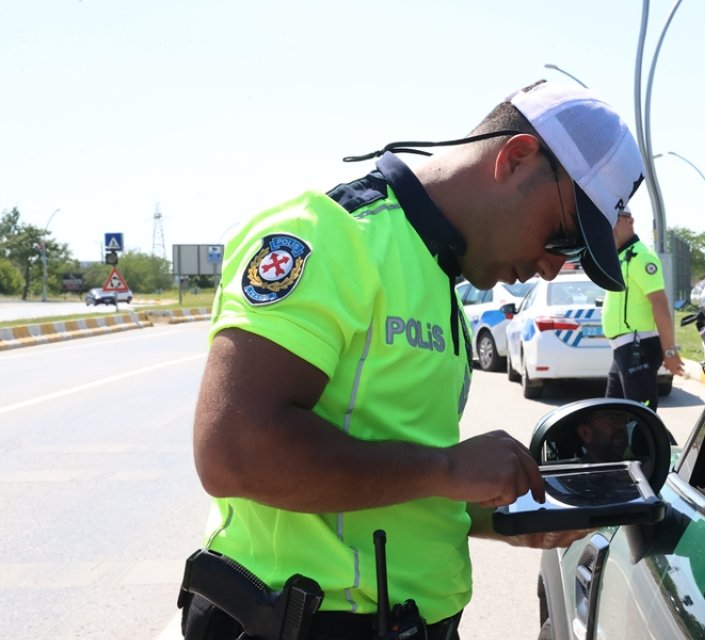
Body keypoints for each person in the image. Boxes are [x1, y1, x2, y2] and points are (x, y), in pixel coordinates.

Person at [183, 80, 645, 640]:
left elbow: (392, 482)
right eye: (566, 239)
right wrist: (447, 469)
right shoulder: (329, 235)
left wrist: (499, 514)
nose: (553, 267)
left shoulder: (438, 275)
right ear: (517, 157)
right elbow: (233, 452)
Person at [601, 206, 685, 410]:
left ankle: (662, 443)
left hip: (637, 347)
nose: (609, 226)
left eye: (615, 219)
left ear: (630, 221)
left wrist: (670, 351)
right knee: (613, 416)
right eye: (606, 220)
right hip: (623, 350)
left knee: (641, 418)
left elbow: (660, 303)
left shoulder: (641, 257)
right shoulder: (621, 257)